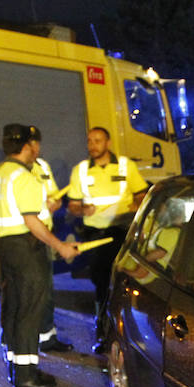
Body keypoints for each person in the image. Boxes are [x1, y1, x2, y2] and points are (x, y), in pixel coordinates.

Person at [0, 123, 79, 387]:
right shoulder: (24, 176)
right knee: (30, 309)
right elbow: (31, 221)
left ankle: (17, 366)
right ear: (28, 146)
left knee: (15, 305)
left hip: (7, 246)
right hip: (27, 249)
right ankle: (27, 374)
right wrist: (60, 246)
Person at [65, 125, 148, 351]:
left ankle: (129, 332)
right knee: (101, 283)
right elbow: (72, 205)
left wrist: (135, 204)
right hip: (96, 236)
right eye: (90, 141)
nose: (92, 145)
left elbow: (142, 194)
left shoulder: (125, 166)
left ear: (108, 143)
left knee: (123, 282)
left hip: (122, 232)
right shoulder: (80, 170)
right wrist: (82, 210)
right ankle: (103, 333)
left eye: (97, 141)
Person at [31, 153, 74, 353]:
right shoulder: (14, 171)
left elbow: (53, 195)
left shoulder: (42, 165)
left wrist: (54, 204)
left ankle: (47, 337)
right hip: (26, 238)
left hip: (43, 235)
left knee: (46, 290)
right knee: (26, 293)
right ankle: (20, 343)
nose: (34, 149)